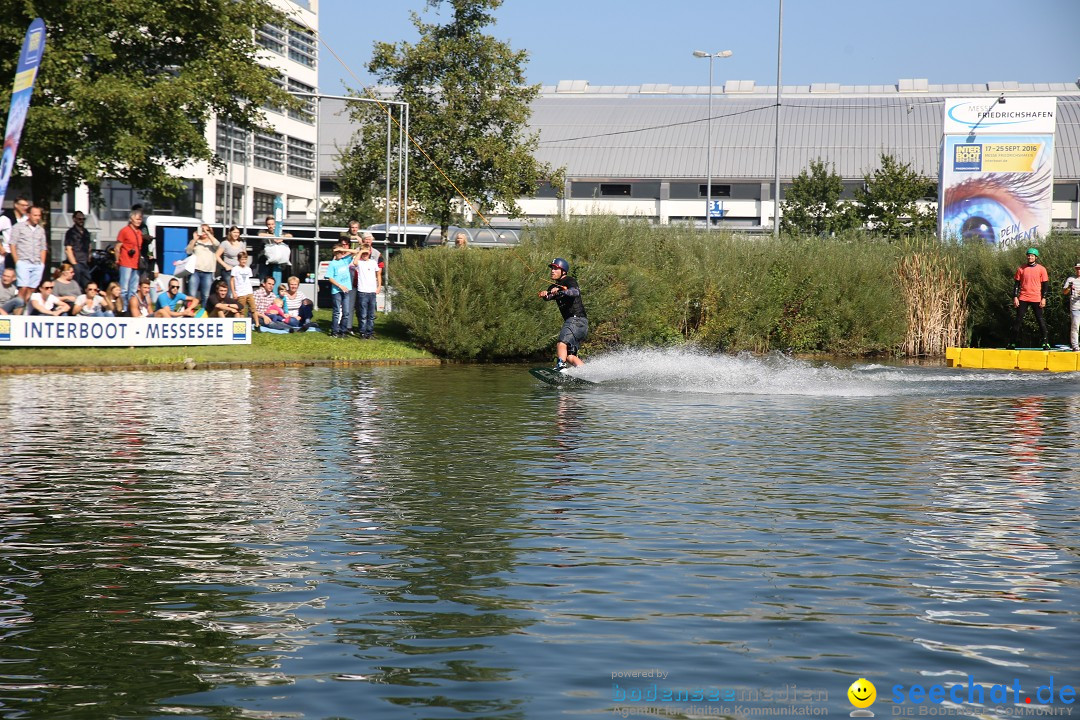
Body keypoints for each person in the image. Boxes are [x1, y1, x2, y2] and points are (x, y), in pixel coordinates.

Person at [538, 257, 588, 371]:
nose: (552, 271)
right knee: (570, 356)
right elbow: (549, 297)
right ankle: (586, 373)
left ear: (563, 271)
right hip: (580, 324)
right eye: (552, 268)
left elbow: (575, 292)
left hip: (576, 320)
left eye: (556, 268)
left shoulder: (569, 280)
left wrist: (562, 291)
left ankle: (560, 366)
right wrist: (545, 294)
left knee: (561, 343)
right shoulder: (553, 286)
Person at [1009, 247, 1050, 350]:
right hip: (1023, 297)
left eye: (1032, 256)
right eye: (1028, 255)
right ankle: (1012, 343)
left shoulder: (1041, 269)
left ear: (1036, 257)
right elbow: (1016, 285)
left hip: (1036, 298)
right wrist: (1015, 297)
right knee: (1018, 320)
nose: (1030, 257)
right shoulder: (1021, 269)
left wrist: (1044, 298)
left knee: (1040, 320)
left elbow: (1045, 285)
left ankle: (1045, 342)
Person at [10, 205, 48, 305]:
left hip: (37, 263)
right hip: (23, 261)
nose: (37, 218)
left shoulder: (40, 230)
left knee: (31, 289)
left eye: (39, 215)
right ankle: (17, 311)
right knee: (23, 288)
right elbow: (12, 244)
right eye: (35, 215)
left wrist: (42, 264)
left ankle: (24, 309)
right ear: (28, 215)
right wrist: (17, 261)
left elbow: (43, 247)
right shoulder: (18, 227)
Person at [115, 208, 143, 309]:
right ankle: (123, 309)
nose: (139, 221)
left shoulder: (139, 232)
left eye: (140, 219)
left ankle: (132, 310)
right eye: (137, 219)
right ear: (131, 219)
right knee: (124, 289)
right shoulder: (124, 231)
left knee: (133, 290)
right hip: (126, 263)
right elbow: (117, 247)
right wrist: (117, 261)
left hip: (136, 264)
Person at [352, 246, 382, 339]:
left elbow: (378, 274)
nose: (365, 255)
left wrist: (379, 286)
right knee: (363, 314)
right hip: (362, 291)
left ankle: (370, 332)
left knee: (371, 314)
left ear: (369, 253)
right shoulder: (360, 263)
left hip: (372, 291)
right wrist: (360, 252)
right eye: (363, 253)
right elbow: (355, 262)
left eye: (367, 253)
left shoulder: (373, 262)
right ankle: (363, 332)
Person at [186, 224, 219, 305]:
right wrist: (194, 240)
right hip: (195, 271)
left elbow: (217, 244)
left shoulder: (212, 243)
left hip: (208, 272)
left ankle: (204, 313)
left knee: (206, 295)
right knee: (192, 294)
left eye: (206, 230)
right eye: (202, 230)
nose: (204, 232)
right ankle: (189, 313)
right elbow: (188, 251)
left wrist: (208, 233)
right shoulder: (196, 242)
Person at [258, 214, 291, 293]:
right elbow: (260, 234)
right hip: (265, 263)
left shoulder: (281, 232)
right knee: (263, 282)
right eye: (269, 224)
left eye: (272, 224)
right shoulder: (263, 231)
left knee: (275, 283)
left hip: (277, 263)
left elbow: (290, 235)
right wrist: (273, 237)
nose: (271, 226)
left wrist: (281, 238)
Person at [325, 246, 353, 338]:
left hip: (346, 290)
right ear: (334, 253)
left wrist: (344, 250)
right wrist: (340, 286)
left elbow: (356, 251)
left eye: (341, 252)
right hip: (337, 291)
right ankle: (335, 331)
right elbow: (330, 278)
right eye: (338, 252)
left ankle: (343, 331)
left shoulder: (345, 261)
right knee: (337, 312)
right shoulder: (332, 264)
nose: (340, 254)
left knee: (346, 312)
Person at [0, 196, 29, 273]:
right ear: (16, 205)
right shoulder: (6, 218)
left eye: (27, 205)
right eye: (23, 205)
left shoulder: (26, 219)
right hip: (8, 254)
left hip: (23, 255)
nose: (25, 208)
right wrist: (1, 248)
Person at [64, 211, 93, 289]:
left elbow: (89, 246)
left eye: (83, 219)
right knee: (75, 285)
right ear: (74, 219)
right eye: (79, 219)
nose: (81, 221)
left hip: (85, 263)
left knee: (87, 285)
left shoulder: (86, 232)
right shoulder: (70, 232)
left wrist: (89, 258)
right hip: (76, 262)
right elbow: (68, 249)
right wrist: (74, 264)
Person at [230, 251, 256, 318]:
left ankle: (257, 325)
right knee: (241, 310)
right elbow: (232, 281)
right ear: (238, 260)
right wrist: (234, 292)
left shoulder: (248, 269)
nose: (244, 261)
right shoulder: (235, 269)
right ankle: (241, 326)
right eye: (242, 259)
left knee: (253, 309)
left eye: (245, 259)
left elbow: (248, 280)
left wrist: (251, 291)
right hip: (240, 292)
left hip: (249, 291)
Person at [1063, 262, 1080, 352]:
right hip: (1075, 307)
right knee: (1075, 326)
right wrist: (1069, 287)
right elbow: (1064, 292)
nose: (1079, 270)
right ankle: (1075, 345)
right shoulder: (1071, 279)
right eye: (1077, 269)